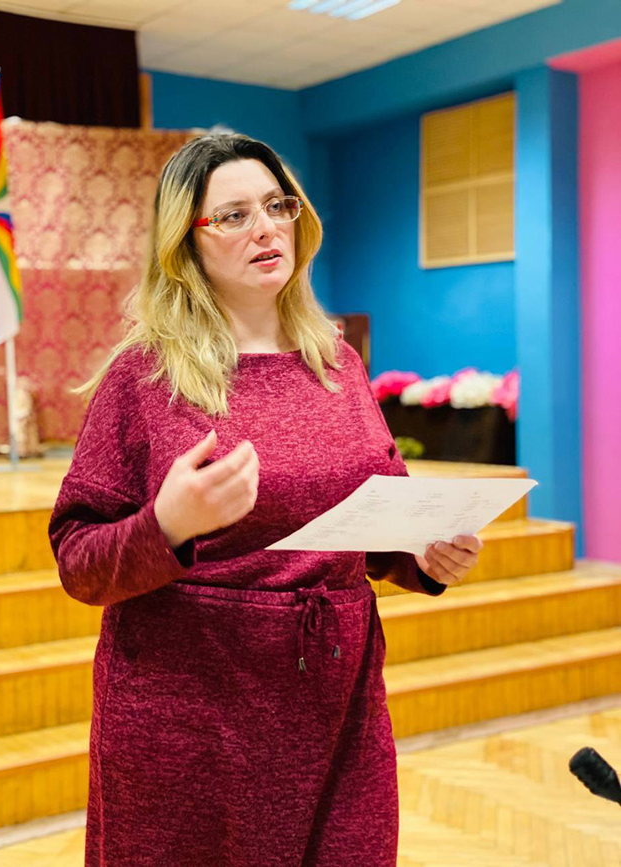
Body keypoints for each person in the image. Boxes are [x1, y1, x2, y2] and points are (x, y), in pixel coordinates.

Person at [48, 133, 483, 867]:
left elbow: (372, 515)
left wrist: (424, 553)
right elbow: (78, 561)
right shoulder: (144, 376)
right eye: (234, 215)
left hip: (336, 705)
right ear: (185, 242)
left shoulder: (337, 362)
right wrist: (166, 525)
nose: (265, 227)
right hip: (191, 718)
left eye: (278, 206)